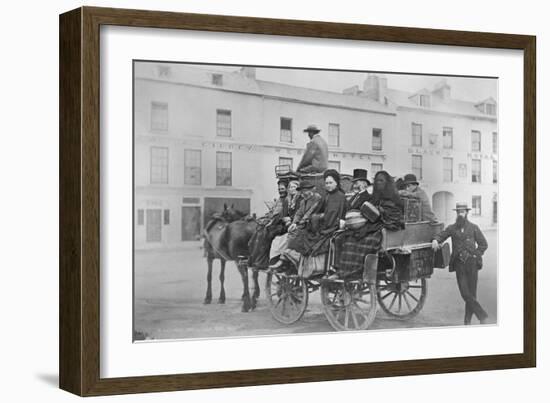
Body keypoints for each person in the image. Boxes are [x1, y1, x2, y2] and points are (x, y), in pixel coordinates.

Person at [270, 171, 347, 269]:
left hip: (332, 226)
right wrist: (297, 222)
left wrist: (314, 219)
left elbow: (328, 215)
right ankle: (289, 260)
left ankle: (294, 261)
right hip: (323, 224)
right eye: (326, 183)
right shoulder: (326, 196)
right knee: (300, 233)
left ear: (336, 183)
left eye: (330, 183)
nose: (328, 185)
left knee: (303, 234)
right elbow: (303, 213)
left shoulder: (338, 196)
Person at [334, 170, 404, 276]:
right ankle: (347, 270)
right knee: (351, 238)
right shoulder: (374, 197)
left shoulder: (394, 198)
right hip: (374, 226)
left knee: (364, 241)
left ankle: (353, 270)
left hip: (386, 228)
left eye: (381, 181)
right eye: (377, 181)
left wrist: (381, 212)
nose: (378, 183)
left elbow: (394, 218)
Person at [432, 202, 489, 325]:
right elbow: (441, 235)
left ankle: (467, 321)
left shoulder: (474, 227)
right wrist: (436, 240)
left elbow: (483, 244)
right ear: (456, 213)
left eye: (462, 212)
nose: (460, 214)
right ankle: (482, 315)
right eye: (458, 212)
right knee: (465, 293)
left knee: (472, 294)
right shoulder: (452, 228)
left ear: (467, 213)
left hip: (472, 264)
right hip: (459, 265)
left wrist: (476, 254)